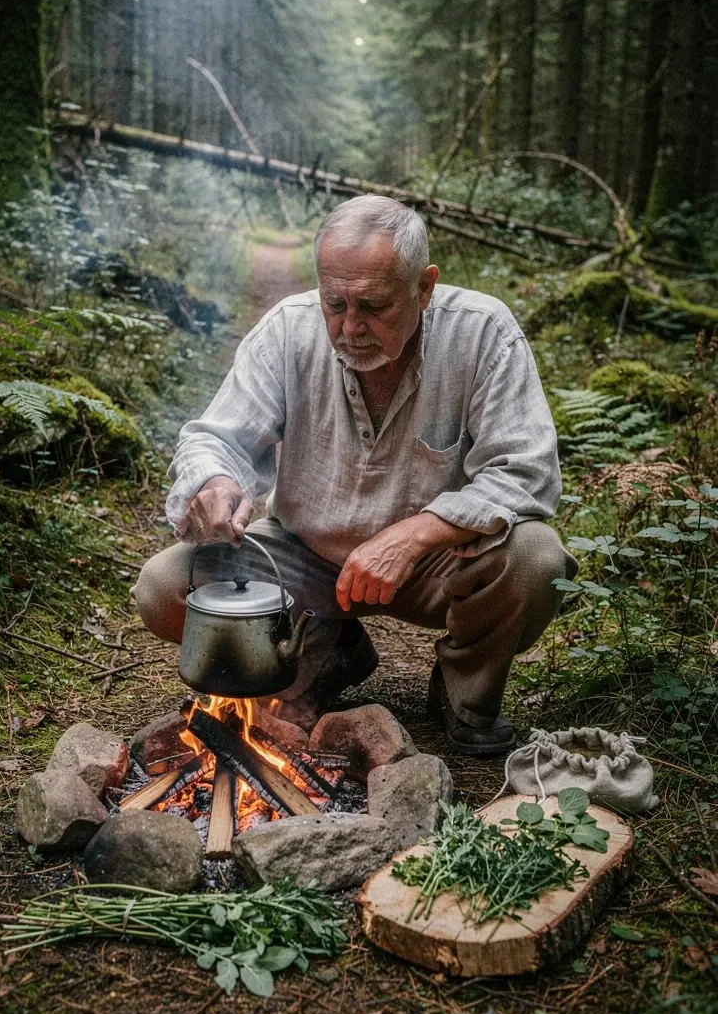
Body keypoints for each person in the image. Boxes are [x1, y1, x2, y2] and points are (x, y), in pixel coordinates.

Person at [132, 195, 577, 755]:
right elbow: (213, 437)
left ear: (424, 287)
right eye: (335, 303)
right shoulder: (288, 332)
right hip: (300, 556)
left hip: (434, 565)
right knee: (165, 588)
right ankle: (320, 649)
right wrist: (214, 481)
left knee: (535, 558)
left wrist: (415, 535)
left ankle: (464, 691)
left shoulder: (482, 333)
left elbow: (526, 471)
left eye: (373, 306)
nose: (350, 327)